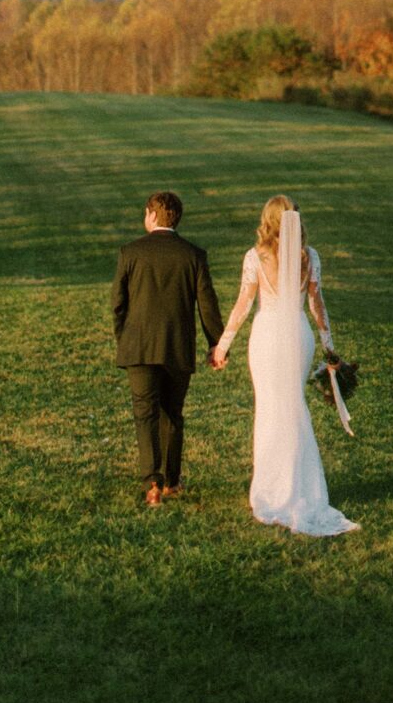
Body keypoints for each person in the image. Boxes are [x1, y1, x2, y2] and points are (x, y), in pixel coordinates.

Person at [214, 194, 359, 534]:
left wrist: (223, 344)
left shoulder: (255, 256)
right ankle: (299, 487)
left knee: (270, 408)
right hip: (298, 335)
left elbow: (242, 305)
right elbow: (317, 306)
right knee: (293, 406)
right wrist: (329, 349)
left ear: (268, 219)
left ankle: (271, 489)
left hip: (266, 335)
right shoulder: (310, 258)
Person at [110, 189, 224, 506]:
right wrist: (218, 344)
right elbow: (208, 306)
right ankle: (172, 480)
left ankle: (152, 484)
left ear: (151, 214)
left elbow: (118, 305)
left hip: (138, 348)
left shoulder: (130, 252)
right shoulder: (193, 255)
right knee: (172, 414)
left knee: (145, 413)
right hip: (177, 348)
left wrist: (126, 339)